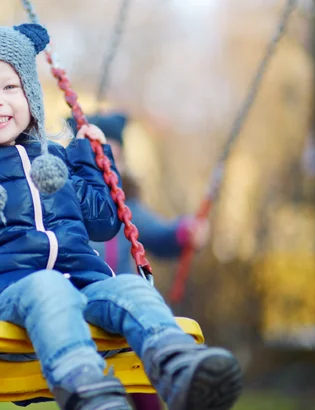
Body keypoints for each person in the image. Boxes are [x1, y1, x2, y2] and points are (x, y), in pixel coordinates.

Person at [0, 23, 241, 410]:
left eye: (10, 87)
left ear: (31, 96)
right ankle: (85, 389)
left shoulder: (55, 158)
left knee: (132, 289)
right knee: (47, 287)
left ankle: (179, 371)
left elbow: (104, 221)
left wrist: (93, 160)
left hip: (83, 288)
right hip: (1, 301)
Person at [69, 114, 211, 410]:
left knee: (143, 387)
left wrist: (186, 232)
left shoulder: (127, 207)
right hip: (81, 311)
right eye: (95, 154)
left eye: (113, 155)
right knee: (95, 389)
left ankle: (182, 383)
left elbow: (159, 234)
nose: (106, 163)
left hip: (123, 311)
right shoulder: (68, 204)